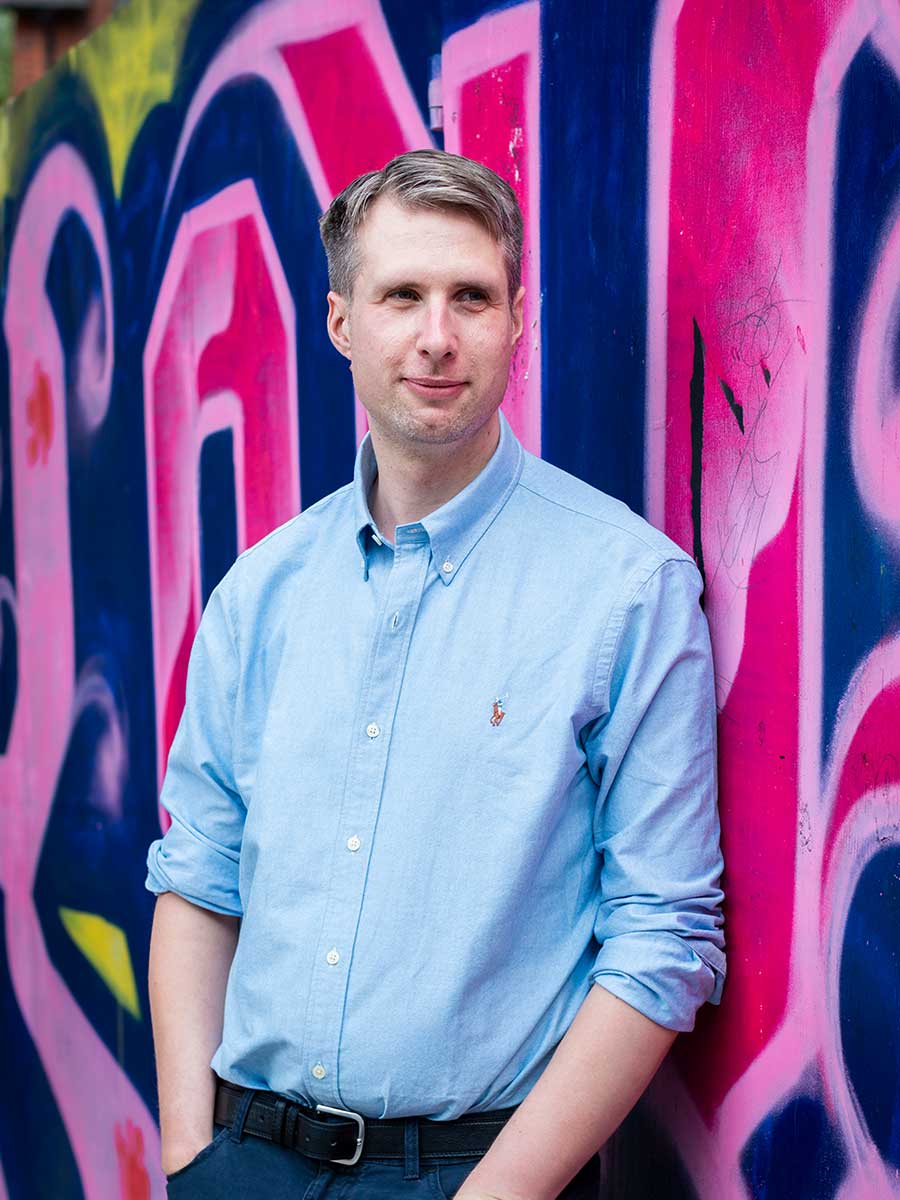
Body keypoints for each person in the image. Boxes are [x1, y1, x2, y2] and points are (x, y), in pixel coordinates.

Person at [146, 148, 725, 1200]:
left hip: (474, 1174)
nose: (437, 336)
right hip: (245, 1166)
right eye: (402, 295)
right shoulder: (260, 594)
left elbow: (666, 940)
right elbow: (198, 882)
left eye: (472, 296)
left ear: (517, 322)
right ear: (342, 324)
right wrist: (193, 1158)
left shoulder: (627, 589)